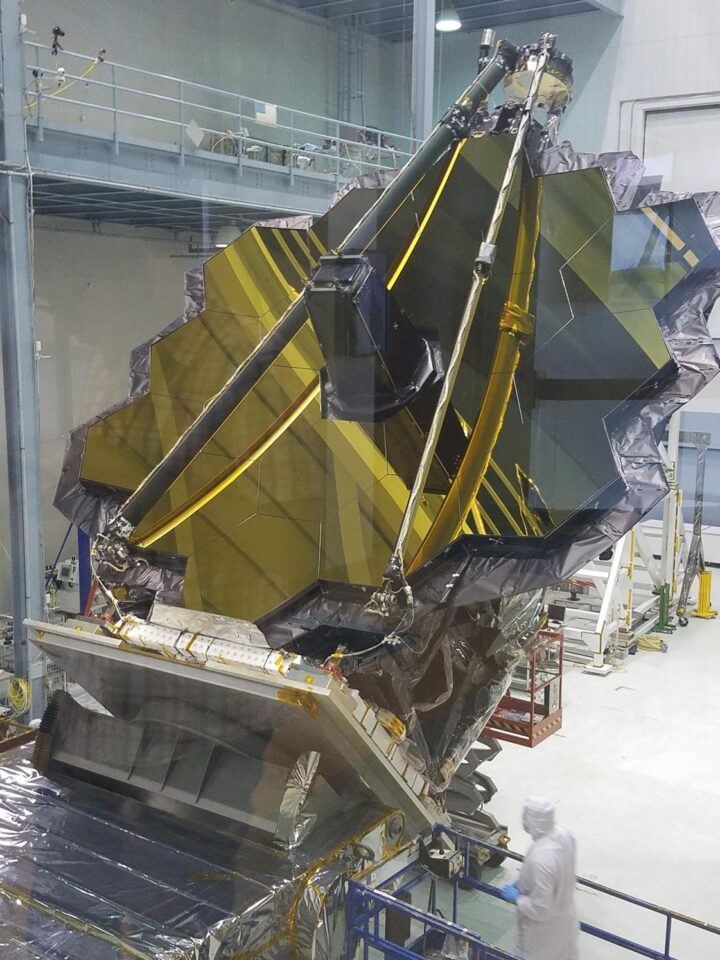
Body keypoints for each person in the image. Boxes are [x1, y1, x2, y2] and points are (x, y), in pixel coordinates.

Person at [500, 796, 579, 960]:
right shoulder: (564, 835)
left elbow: (542, 909)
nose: (524, 821)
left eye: (526, 817)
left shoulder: (540, 859)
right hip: (566, 921)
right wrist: (524, 883)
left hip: (542, 936)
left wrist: (518, 898)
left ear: (534, 820)